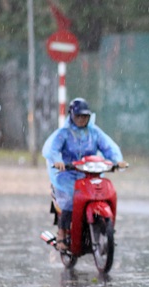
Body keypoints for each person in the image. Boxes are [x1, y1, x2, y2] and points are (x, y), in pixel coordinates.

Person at [42, 98, 128, 251]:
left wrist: (117, 160)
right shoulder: (64, 134)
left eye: (85, 116)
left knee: (101, 193)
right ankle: (62, 233)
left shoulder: (94, 132)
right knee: (69, 199)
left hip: (89, 174)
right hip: (67, 175)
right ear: (71, 116)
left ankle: (104, 229)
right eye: (78, 116)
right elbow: (52, 149)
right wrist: (58, 161)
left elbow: (109, 147)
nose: (82, 120)